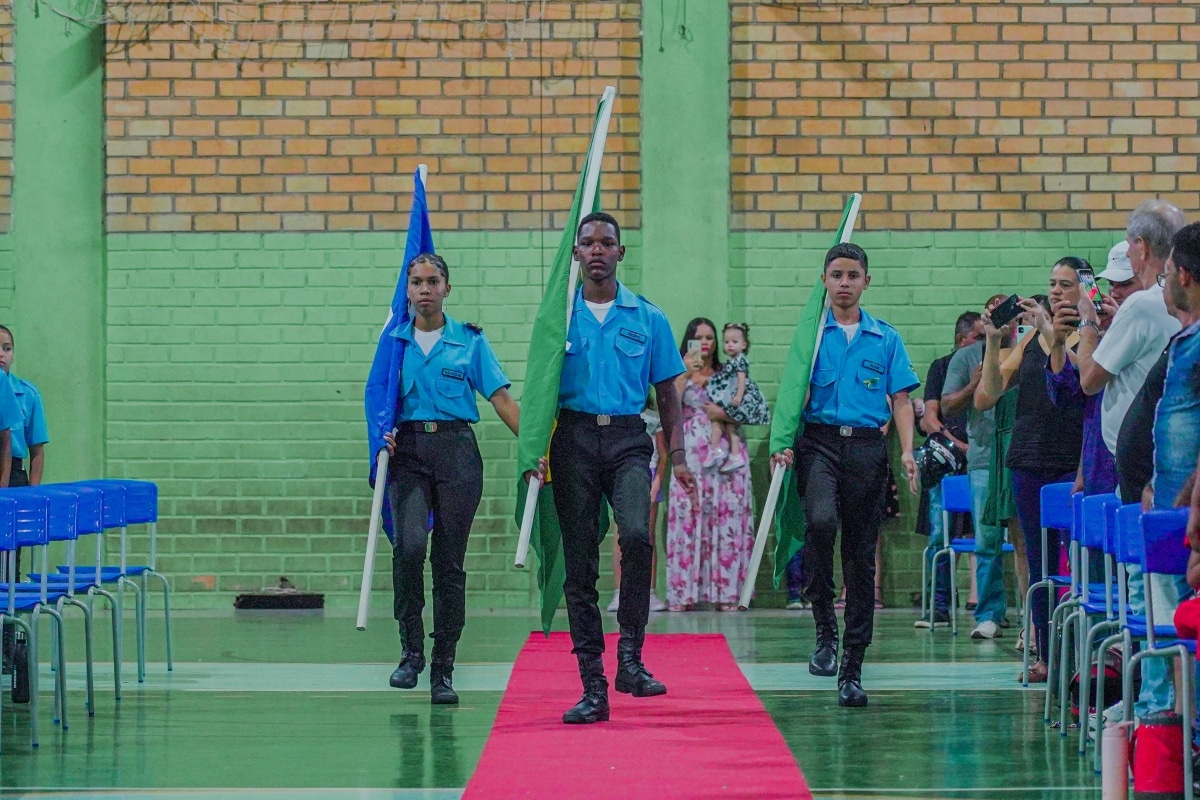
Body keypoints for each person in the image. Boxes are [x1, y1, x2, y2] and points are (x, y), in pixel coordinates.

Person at [547, 211, 696, 725]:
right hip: (574, 439)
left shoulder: (647, 317)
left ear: (619, 252)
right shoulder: (558, 316)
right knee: (580, 562)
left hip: (630, 439)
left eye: (605, 242)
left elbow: (668, 394)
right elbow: (539, 388)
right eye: (586, 242)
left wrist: (677, 455)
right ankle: (593, 684)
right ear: (576, 253)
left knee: (636, 537)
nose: (595, 250)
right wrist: (534, 455)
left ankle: (630, 658)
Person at [771, 242, 920, 708]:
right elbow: (792, 391)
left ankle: (853, 666)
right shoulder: (811, 336)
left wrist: (909, 451)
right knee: (819, 523)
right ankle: (824, 630)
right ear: (824, 281)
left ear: (866, 282)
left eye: (853, 275)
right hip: (818, 443)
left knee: (860, 555)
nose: (844, 283)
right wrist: (782, 442)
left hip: (867, 449)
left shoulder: (885, 338)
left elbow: (899, 399)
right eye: (836, 274)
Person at [383, 253, 521, 705]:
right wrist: (377, 433)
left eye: (433, 281)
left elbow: (500, 399)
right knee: (407, 549)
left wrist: (537, 445)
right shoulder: (393, 343)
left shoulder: (469, 342)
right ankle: (410, 652)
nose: (424, 289)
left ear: (447, 288)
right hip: (408, 453)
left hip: (457, 454)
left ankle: (443, 668)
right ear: (407, 290)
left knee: (448, 563)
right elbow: (375, 400)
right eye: (417, 282)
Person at [976, 259, 1088, 681]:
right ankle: (1044, 652)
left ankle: (1081, 654)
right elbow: (986, 397)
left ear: (1084, 290)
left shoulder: (1091, 336)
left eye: (1066, 285)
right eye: (1052, 284)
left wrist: (1047, 329)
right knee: (1038, 563)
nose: (1057, 291)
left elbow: (1085, 378)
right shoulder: (1026, 343)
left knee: (1076, 562)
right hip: (1027, 459)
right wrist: (992, 342)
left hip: (1070, 462)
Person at [1139, 222, 1200, 719]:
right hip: (1175, 509)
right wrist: (1158, 482)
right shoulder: (1189, 338)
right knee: (1182, 624)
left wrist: (1192, 496)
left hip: (1190, 515)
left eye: (1166, 277)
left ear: (1183, 273)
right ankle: (1186, 730)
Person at [665, 318, 754, 612]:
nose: (705, 343)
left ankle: (728, 593)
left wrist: (722, 413)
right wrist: (683, 377)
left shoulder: (728, 371)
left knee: (726, 519)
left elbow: (746, 410)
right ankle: (684, 593)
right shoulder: (677, 370)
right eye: (698, 337)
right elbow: (668, 408)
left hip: (726, 453)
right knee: (689, 516)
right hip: (690, 452)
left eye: (710, 337)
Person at [914, 311, 981, 629]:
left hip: (982, 462)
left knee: (983, 534)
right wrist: (958, 445)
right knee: (940, 534)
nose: (981, 345)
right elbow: (929, 420)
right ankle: (938, 603)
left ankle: (986, 605)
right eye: (977, 339)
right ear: (961, 340)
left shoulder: (996, 365)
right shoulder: (941, 367)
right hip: (947, 460)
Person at [607, 396, 669, 614]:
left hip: (649, 475)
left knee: (646, 535)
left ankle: (649, 593)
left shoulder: (654, 417)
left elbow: (663, 456)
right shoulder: (618, 415)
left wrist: (657, 484)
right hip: (625, 476)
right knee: (620, 535)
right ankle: (619, 592)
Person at [703, 323, 770, 472]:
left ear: (744, 344)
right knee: (729, 426)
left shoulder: (740, 361)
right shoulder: (732, 361)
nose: (730, 345)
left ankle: (716, 449)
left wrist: (739, 396)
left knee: (720, 421)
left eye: (734, 342)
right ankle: (734, 455)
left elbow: (741, 380)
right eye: (727, 342)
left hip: (736, 398)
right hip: (731, 395)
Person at [0, 326, 49, 490]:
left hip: (14, 474)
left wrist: (33, 493)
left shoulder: (28, 394)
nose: (1, 354)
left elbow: (37, 452)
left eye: (7, 348)